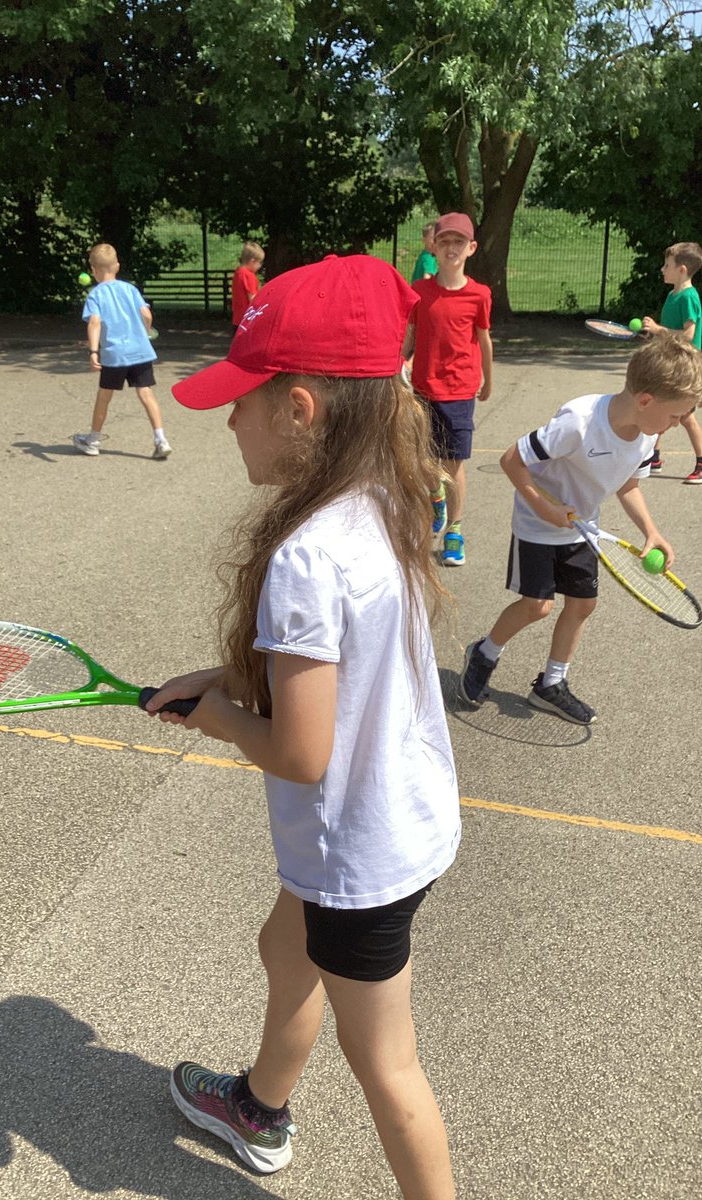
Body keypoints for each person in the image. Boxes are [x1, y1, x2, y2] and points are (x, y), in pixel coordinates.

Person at [146, 254, 460, 1199]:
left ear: (301, 409)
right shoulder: (387, 502)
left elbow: (300, 750)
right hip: (406, 814)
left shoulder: (305, 555)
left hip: (358, 853)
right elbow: (340, 674)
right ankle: (258, 1105)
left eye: (244, 396)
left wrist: (225, 718)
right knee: (285, 950)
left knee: (391, 1072)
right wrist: (233, 674)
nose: (229, 416)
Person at [459, 334, 702, 724]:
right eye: (676, 416)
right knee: (537, 606)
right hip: (537, 525)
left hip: (581, 529)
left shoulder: (646, 437)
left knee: (583, 604)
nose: (679, 424)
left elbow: (628, 485)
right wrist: (543, 506)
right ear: (645, 400)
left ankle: (551, 684)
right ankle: (484, 653)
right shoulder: (580, 421)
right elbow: (511, 461)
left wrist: (651, 531)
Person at [401, 213, 493, 567]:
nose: (451, 247)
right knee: (421, 459)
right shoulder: (420, 292)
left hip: (459, 390)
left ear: (470, 248)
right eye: (444, 242)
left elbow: (484, 342)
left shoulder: (479, 295)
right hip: (423, 387)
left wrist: (489, 379)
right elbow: (411, 333)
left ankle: (454, 530)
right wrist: (400, 361)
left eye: (458, 242)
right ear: (433, 248)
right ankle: (435, 497)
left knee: (452, 464)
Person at [72, 243, 172, 459]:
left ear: (93, 270)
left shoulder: (95, 295)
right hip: (140, 351)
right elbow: (146, 315)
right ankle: (160, 439)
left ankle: (93, 440)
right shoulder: (130, 289)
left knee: (104, 397)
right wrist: (145, 332)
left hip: (114, 354)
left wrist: (93, 352)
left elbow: (95, 323)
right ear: (117, 265)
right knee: (146, 393)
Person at [640, 241, 702, 483]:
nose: (662, 269)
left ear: (682, 269)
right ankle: (653, 457)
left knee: (685, 416)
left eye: (667, 265)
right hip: (673, 361)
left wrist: (658, 329)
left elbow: (688, 334)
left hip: (688, 364)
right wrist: (653, 333)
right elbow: (670, 332)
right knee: (661, 404)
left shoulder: (688, 297)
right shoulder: (673, 294)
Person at [231, 241, 265, 330]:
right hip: (248, 320)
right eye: (260, 262)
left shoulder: (238, 273)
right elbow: (253, 299)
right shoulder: (248, 275)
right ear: (252, 261)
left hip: (238, 319)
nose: (260, 266)